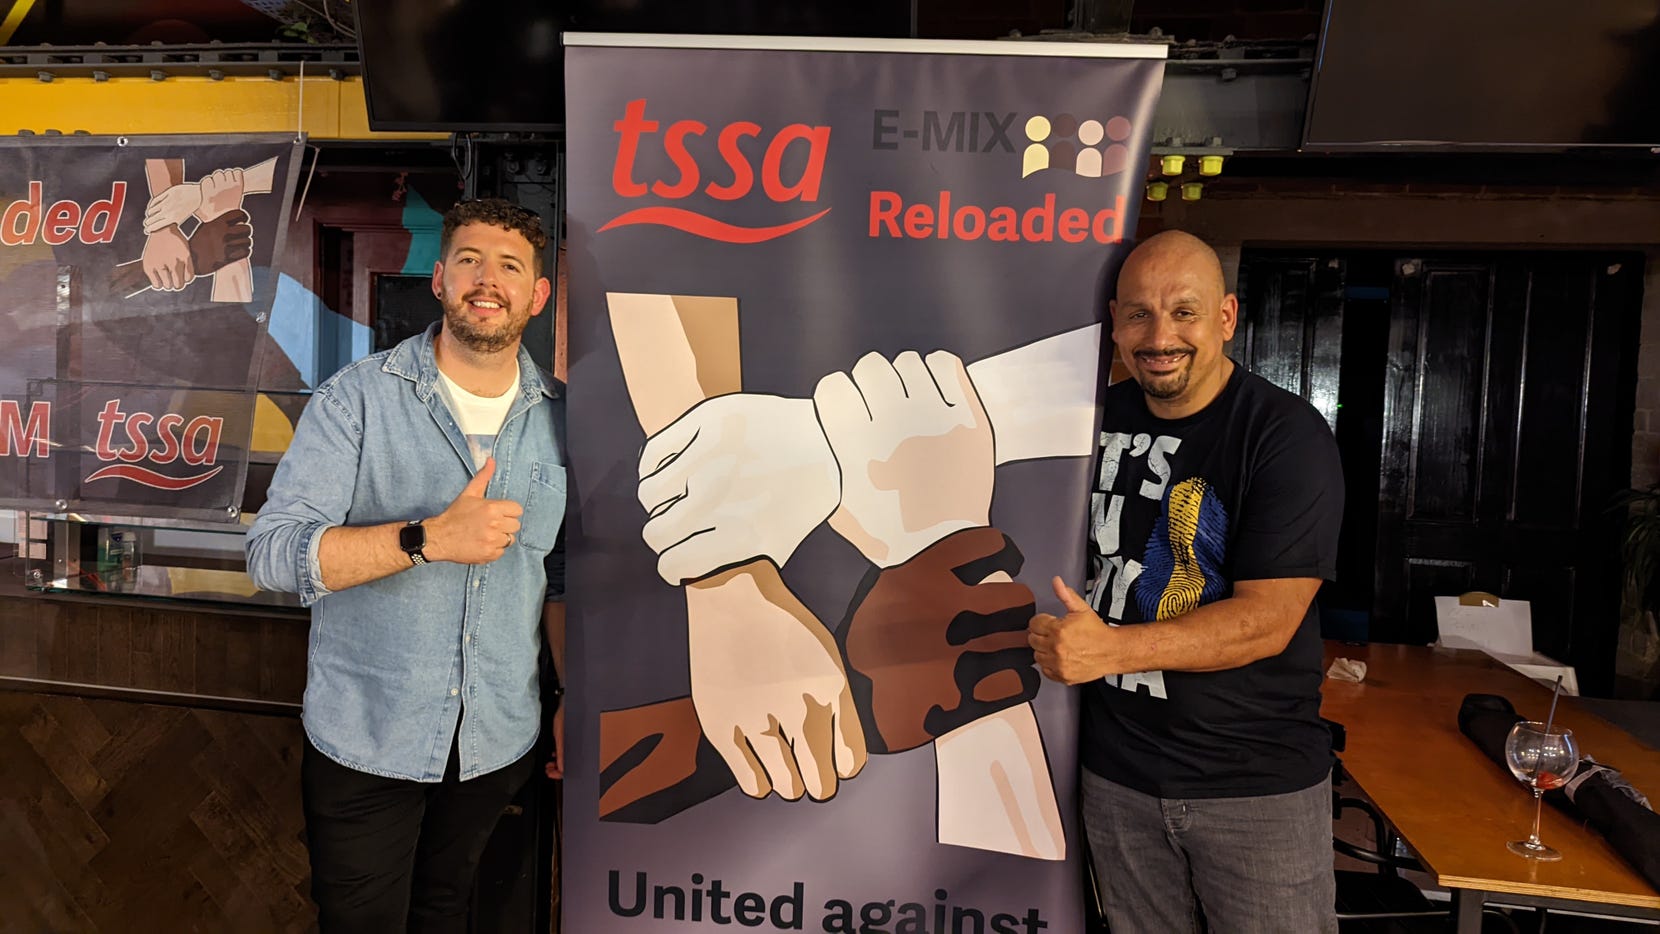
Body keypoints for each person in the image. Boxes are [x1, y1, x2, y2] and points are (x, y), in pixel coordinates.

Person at [245, 198, 567, 932]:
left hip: (494, 743)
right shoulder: (355, 403)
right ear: (439, 277)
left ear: (537, 294)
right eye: (469, 261)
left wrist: (569, 697)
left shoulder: (563, 420)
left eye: (510, 266)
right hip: (367, 742)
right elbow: (270, 556)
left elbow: (562, 578)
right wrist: (426, 539)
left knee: (444, 916)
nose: (488, 280)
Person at [1027, 230, 1344, 933]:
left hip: (1253, 788)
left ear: (1226, 318)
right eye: (1139, 313)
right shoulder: (1090, 423)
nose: (1159, 335)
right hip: (1117, 779)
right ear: (1114, 322)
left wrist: (1110, 651)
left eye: (1183, 312)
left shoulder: (1284, 435)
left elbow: (1268, 620)